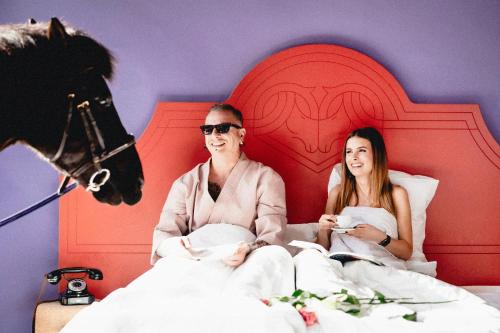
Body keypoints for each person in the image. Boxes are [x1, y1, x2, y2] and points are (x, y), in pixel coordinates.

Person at [151, 103, 288, 267]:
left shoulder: (266, 179)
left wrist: (247, 250)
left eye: (222, 128)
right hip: (196, 262)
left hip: (246, 262)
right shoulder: (185, 183)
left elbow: (271, 237)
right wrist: (176, 247)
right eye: (208, 129)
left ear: (241, 134)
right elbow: (165, 234)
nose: (214, 135)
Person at [315, 127, 413, 260]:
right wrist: (322, 230)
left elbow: (406, 253)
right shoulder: (337, 193)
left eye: (361, 150)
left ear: (377, 155)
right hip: (339, 265)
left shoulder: (397, 194)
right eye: (349, 152)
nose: (353, 157)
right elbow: (323, 248)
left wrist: (380, 237)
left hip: (379, 266)